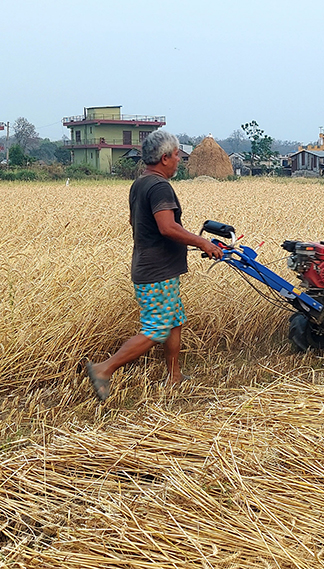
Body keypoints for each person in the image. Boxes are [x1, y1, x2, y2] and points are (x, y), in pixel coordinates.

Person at [79, 130, 223, 401]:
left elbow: (138, 223)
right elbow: (168, 227)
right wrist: (202, 243)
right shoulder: (159, 187)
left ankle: (174, 375)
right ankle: (103, 369)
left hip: (154, 266)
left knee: (175, 320)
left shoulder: (141, 183)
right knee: (157, 328)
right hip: (157, 271)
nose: (179, 160)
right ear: (165, 157)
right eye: (177, 155)